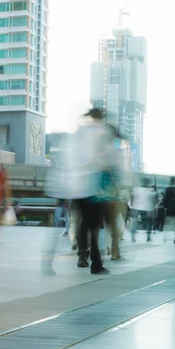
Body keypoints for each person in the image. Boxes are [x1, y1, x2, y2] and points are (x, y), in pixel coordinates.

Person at [65, 108, 118, 274]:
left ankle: (83, 257)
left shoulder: (79, 133)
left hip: (77, 186)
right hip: (93, 186)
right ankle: (95, 262)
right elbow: (105, 160)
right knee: (94, 225)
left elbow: (71, 159)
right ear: (101, 118)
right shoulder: (101, 133)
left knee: (83, 224)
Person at [164, 177, 175, 243]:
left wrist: (165, 207)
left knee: (167, 223)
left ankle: (165, 237)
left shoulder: (167, 190)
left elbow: (165, 200)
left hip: (169, 208)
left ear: (170, 182)